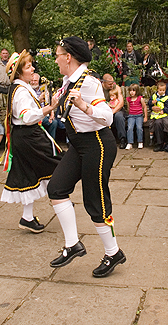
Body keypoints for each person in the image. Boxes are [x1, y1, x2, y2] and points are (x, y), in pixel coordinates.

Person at [47, 36, 126, 278]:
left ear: (68, 57)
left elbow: (107, 116)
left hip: (98, 144)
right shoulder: (68, 80)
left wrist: (83, 105)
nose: (56, 59)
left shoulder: (88, 82)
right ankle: (73, 245)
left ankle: (113, 253)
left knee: (96, 202)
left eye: (58, 55)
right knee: (56, 188)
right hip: (79, 144)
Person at [0, 50, 61, 233]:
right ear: (19, 72)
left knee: (29, 175)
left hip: (24, 137)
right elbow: (26, 117)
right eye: (28, 66)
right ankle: (60, 198)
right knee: (57, 164)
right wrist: (49, 108)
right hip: (29, 137)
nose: (33, 68)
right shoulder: (21, 91)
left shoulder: (20, 87)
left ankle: (28, 217)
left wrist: (39, 102)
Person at [102, 73, 127, 149]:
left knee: (119, 116)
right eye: (110, 84)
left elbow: (121, 103)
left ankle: (122, 139)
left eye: (113, 83)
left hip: (116, 109)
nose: (112, 85)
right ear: (104, 83)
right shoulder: (99, 89)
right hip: (105, 109)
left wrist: (112, 113)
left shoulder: (117, 88)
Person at [30, 73, 58, 139]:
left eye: (35, 80)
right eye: (32, 80)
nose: (33, 82)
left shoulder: (43, 89)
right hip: (35, 114)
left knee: (54, 122)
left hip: (45, 114)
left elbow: (49, 104)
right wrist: (38, 100)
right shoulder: (29, 90)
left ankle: (51, 143)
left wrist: (52, 114)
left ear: (39, 81)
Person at [148, 80, 168, 151]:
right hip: (155, 115)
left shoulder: (167, 98)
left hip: (163, 115)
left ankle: (167, 139)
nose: (162, 91)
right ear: (157, 90)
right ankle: (158, 143)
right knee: (156, 123)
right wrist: (152, 106)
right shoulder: (154, 96)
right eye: (160, 90)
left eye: (163, 90)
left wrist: (164, 111)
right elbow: (149, 105)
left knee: (165, 123)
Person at [125, 83, 147, 149]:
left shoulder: (140, 98)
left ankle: (140, 142)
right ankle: (130, 143)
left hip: (139, 116)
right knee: (130, 128)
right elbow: (128, 108)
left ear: (137, 91)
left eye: (133, 90)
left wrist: (145, 117)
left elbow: (144, 107)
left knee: (139, 128)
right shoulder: (128, 99)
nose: (132, 92)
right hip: (131, 116)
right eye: (130, 90)